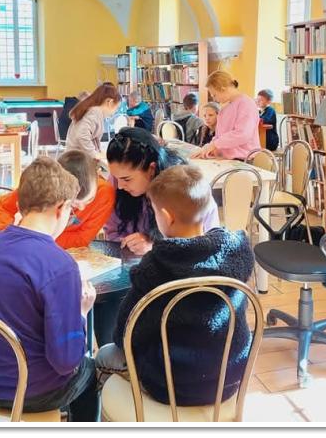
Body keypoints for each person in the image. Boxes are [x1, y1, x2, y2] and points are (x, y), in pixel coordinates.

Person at [95, 165, 255, 406]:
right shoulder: (237, 251)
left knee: (104, 355)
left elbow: (124, 334)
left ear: (166, 217)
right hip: (229, 378)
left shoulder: (155, 267)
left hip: (170, 385)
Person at [0, 157, 98, 422]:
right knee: (89, 371)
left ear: (20, 205)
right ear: (61, 208)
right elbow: (66, 361)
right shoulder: (60, 265)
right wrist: (82, 313)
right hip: (33, 391)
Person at [92, 127, 220, 346]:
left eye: (127, 179)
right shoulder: (118, 184)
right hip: (133, 265)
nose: (120, 186)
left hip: (175, 276)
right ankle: (114, 349)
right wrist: (131, 243)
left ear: (151, 169)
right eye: (116, 178)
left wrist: (154, 243)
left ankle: (119, 353)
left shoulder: (184, 185)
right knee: (107, 301)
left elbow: (202, 241)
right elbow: (113, 232)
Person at [0, 150, 116, 249]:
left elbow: (82, 239)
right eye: (71, 205)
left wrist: (40, 237)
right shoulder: (41, 185)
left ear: (97, 174)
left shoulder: (104, 193)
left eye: (89, 200)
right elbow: (3, 207)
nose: (81, 208)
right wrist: (20, 236)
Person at [191, 71, 259, 160]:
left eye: (214, 95)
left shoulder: (246, 104)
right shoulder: (226, 108)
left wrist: (215, 144)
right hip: (227, 158)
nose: (214, 99)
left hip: (244, 158)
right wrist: (208, 147)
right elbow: (220, 136)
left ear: (223, 89)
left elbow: (243, 134)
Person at [65, 83, 121, 156]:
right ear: (109, 102)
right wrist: (94, 154)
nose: (115, 112)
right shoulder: (95, 112)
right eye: (116, 108)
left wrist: (98, 152)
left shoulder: (93, 110)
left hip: (76, 156)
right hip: (78, 158)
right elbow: (81, 135)